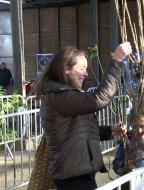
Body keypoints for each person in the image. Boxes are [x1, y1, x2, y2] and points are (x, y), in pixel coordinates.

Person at [34, 42, 132, 190]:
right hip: (73, 177)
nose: (86, 74)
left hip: (78, 173)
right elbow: (99, 99)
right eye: (82, 68)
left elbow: (78, 132)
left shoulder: (64, 95)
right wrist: (117, 60)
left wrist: (109, 130)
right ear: (66, 69)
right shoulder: (60, 97)